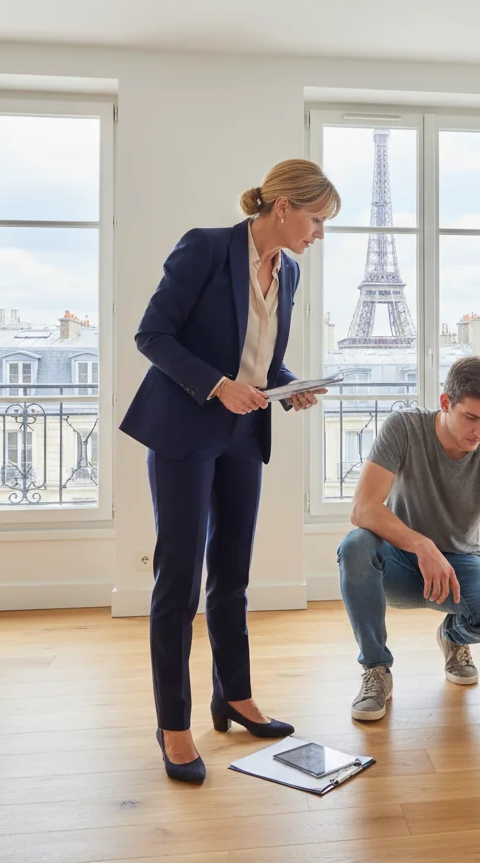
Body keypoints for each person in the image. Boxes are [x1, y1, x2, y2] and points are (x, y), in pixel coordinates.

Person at [119, 159, 340, 783]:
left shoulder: (287, 271)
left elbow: (265, 360)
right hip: (184, 429)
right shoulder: (206, 248)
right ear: (281, 208)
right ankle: (173, 725)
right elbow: (152, 335)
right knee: (179, 579)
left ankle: (234, 696)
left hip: (245, 432)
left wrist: (290, 386)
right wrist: (217, 386)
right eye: (316, 219)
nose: (318, 233)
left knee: (233, 572)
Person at [337, 356, 480, 721]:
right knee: (355, 546)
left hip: (461, 566)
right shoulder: (404, 428)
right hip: (399, 560)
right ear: (446, 402)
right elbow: (363, 508)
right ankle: (376, 670)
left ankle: (454, 636)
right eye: (471, 418)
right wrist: (421, 544)